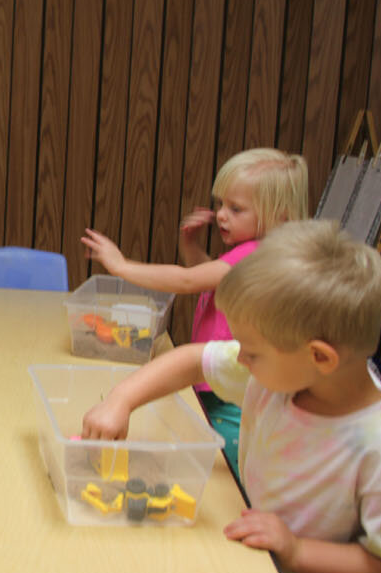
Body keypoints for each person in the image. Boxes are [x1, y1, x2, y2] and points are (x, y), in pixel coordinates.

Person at [81, 220, 381, 573]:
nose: (238, 359)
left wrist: (298, 549)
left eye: (251, 351)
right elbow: (192, 358)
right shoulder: (281, 372)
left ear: (321, 357)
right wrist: (119, 399)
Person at [80, 148, 308, 471]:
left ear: (281, 216)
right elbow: (213, 282)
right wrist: (192, 248)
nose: (222, 215)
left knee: (226, 469)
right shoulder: (256, 254)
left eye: (236, 208)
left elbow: (189, 280)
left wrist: (121, 266)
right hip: (218, 382)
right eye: (220, 204)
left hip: (227, 396)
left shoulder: (254, 257)